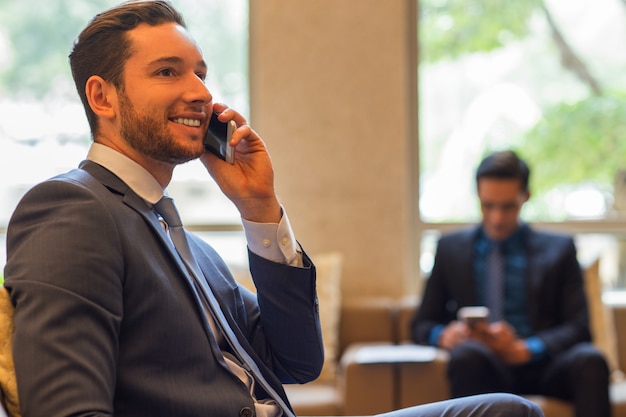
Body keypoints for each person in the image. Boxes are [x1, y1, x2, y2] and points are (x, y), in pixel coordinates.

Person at [3, 2, 544, 416]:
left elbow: (298, 361)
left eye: (200, 72)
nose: (199, 93)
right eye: (168, 72)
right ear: (103, 98)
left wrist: (260, 209)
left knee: (503, 410)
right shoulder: (71, 209)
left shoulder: (186, 243)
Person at [411, 150, 612, 417]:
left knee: (591, 360)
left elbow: (579, 328)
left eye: (507, 207)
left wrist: (526, 349)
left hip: (543, 365)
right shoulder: (449, 249)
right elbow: (420, 324)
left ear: (525, 197)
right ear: (478, 197)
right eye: (487, 205)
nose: (496, 218)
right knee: (466, 357)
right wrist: (444, 335)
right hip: (484, 366)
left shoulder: (560, 249)